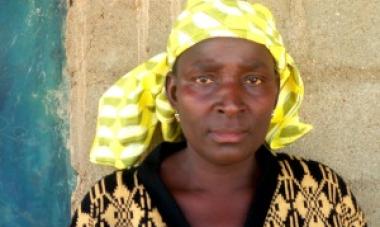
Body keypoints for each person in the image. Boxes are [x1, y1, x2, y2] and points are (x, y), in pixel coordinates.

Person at [71, 0, 367, 226]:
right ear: (173, 93)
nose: (231, 102)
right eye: (205, 79)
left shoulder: (322, 194)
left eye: (253, 80)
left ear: (277, 91)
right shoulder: (108, 208)